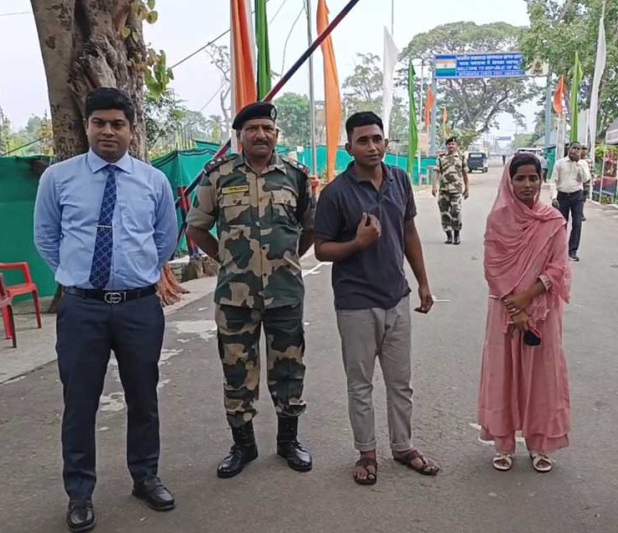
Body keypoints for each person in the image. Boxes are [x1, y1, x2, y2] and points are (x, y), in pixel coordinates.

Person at [33, 87, 178, 533]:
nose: (108, 131)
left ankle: (145, 476)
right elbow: (47, 237)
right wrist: (77, 277)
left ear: (132, 130)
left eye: (118, 123)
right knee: (79, 403)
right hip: (82, 310)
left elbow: (165, 238)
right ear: (88, 127)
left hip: (138, 308)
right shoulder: (58, 178)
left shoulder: (153, 181)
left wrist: (138, 272)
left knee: (143, 396)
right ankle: (79, 493)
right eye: (100, 123)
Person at [186, 102, 315, 479]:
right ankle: (243, 446)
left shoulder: (295, 176)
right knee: (237, 371)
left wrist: (287, 258)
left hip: (285, 293)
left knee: (289, 369)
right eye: (252, 128)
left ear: (276, 134)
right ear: (239, 136)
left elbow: (311, 228)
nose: (260, 134)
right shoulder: (219, 177)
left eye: (267, 128)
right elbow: (196, 228)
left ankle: (289, 441)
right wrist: (227, 259)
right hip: (234, 297)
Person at [313, 111, 441, 486]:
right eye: (363, 140)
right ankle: (366, 452)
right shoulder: (336, 193)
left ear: (386, 142)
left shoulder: (399, 179)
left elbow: (409, 231)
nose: (372, 146)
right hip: (355, 302)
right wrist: (358, 243)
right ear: (348, 147)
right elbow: (321, 249)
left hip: (396, 297)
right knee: (361, 383)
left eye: (377, 139)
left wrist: (422, 282)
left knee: (401, 382)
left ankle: (403, 447)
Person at [478, 153, 572, 474]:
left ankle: (540, 443)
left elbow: (558, 266)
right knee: (503, 374)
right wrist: (513, 306)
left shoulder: (553, 221)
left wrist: (527, 299)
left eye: (534, 178)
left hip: (542, 310)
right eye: (520, 178)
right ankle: (503, 444)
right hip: (505, 311)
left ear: (542, 180)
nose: (528, 184)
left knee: (543, 379)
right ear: (510, 180)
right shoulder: (497, 220)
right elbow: (492, 266)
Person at [552, 142, 591, 262]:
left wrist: (579, 163)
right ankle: (559, 250)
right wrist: (554, 197)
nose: (575, 150)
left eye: (578, 149)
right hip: (562, 196)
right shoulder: (560, 163)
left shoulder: (583, 163)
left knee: (577, 223)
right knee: (561, 224)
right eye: (573, 148)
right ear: (569, 149)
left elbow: (586, 179)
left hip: (577, 196)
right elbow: (554, 180)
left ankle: (572, 251)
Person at [432, 136, 470, 245]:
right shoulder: (441, 158)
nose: (451, 146)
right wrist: (434, 187)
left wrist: (467, 188)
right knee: (444, 213)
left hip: (456, 190)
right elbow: (436, 172)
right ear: (447, 146)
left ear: (456, 146)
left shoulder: (461, 158)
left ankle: (456, 234)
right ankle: (448, 235)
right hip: (444, 190)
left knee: (456, 211)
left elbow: (465, 174)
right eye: (449, 144)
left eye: (453, 144)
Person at [579, 146, 592, 222]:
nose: (584, 151)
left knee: (583, 199)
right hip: (579, 184)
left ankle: (580, 212)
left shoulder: (589, 161)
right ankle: (580, 214)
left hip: (586, 183)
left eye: (585, 149)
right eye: (582, 149)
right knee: (579, 199)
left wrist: (591, 181)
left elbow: (592, 171)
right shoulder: (577, 160)